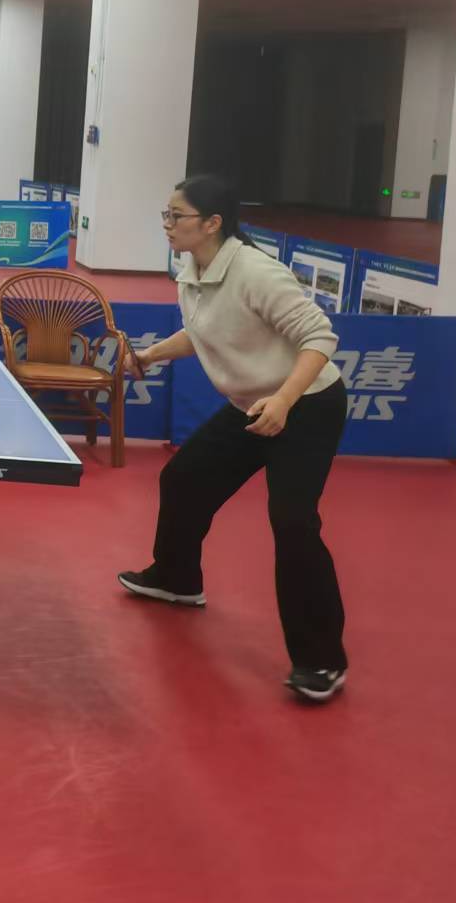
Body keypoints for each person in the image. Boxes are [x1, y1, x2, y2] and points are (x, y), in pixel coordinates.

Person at [120, 174, 350, 703]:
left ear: (212, 223)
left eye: (176, 215)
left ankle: (322, 660)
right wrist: (152, 355)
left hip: (306, 404)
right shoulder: (191, 269)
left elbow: (319, 336)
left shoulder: (256, 272)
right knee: (184, 479)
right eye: (166, 214)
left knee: (293, 523)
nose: (167, 224)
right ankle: (177, 578)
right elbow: (203, 329)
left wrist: (285, 400)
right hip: (253, 404)